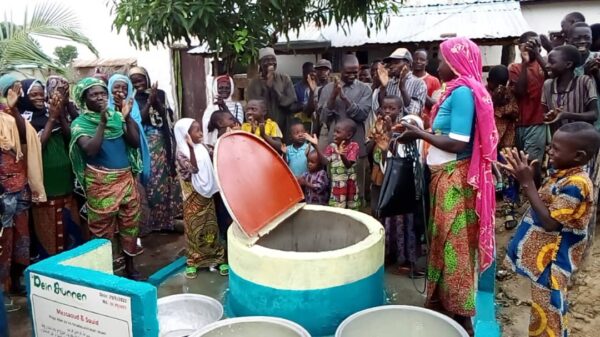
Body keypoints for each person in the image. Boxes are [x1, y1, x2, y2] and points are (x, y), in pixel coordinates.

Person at [399, 37, 498, 334]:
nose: (437, 65)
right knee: (442, 240)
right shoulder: (452, 92)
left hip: (456, 181)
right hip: (445, 178)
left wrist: (419, 135)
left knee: (455, 246)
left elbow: (457, 142)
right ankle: (445, 307)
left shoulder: (464, 93)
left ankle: (462, 318)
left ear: (454, 63)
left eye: (441, 60)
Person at [504, 122, 600, 337]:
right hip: (545, 261)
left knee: (549, 314)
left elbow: (551, 223)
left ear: (578, 155)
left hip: (553, 263)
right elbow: (545, 200)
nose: (549, 150)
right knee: (544, 312)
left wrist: (527, 182)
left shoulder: (577, 184)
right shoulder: (563, 172)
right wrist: (532, 175)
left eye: (556, 148)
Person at [69, 77, 143, 280]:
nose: (100, 97)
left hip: (126, 178)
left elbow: (135, 143)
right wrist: (102, 123)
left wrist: (126, 118)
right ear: (84, 99)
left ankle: (130, 265)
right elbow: (90, 150)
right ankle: (104, 270)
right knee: (102, 229)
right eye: (94, 94)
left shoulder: (117, 117)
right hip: (101, 183)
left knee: (130, 223)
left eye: (103, 93)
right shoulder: (79, 124)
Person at [19, 79, 80, 258]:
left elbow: (71, 140)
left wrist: (59, 115)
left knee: (71, 233)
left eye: (41, 93)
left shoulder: (50, 111)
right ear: (23, 97)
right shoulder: (23, 120)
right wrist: (52, 119)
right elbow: (36, 148)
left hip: (66, 184)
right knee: (48, 237)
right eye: (33, 94)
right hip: (46, 185)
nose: (39, 98)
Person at [0, 75, 45, 304]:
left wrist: (13, 107)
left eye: (19, 90)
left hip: (20, 187)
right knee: (4, 240)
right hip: (3, 190)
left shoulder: (14, 115)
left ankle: (15, 283)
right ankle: (4, 288)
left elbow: (24, 138)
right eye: (11, 89)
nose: (17, 93)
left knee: (21, 238)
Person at [129, 66, 181, 234]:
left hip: (161, 143)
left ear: (147, 79)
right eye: (134, 81)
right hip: (143, 145)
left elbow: (166, 116)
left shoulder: (160, 94)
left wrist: (155, 100)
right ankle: (149, 223)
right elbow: (138, 121)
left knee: (163, 182)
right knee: (148, 182)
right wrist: (149, 102)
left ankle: (164, 221)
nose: (138, 84)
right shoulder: (131, 100)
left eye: (140, 80)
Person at [174, 118, 226, 279]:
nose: (201, 133)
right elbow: (194, 169)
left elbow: (217, 153)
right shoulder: (181, 153)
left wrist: (226, 133)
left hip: (207, 196)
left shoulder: (202, 147)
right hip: (192, 198)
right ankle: (193, 261)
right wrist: (190, 147)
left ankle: (218, 258)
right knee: (193, 230)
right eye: (196, 130)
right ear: (185, 135)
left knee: (211, 227)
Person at [108, 74, 152, 256]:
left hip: (132, 161)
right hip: (112, 165)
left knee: (133, 204)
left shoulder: (132, 109)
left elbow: (136, 135)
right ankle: (115, 248)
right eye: (116, 87)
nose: (120, 91)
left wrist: (126, 115)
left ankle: (133, 243)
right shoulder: (104, 111)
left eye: (124, 88)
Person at [318, 54, 371, 205]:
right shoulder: (327, 89)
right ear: (340, 70)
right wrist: (333, 97)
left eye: (355, 71)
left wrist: (345, 98)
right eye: (348, 72)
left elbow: (362, 114)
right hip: (334, 147)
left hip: (356, 144)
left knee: (356, 188)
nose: (352, 75)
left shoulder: (364, 89)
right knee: (335, 187)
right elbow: (323, 117)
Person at [509, 32, 548, 188]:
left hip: (537, 120)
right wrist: (525, 63)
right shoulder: (515, 68)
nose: (532, 48)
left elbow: (551, 75)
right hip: (518, 123)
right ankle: (519, 197)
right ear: (520, 47)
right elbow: (519, 91)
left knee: (533, 162)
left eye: (536, 45)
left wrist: (537, 54)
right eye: (528, 45)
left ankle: (537, 195)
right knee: (519, 162)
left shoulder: (544, 64)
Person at [487, 66, 520, 230]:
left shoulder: (508, 94)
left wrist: (501, 105)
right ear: (489, 82)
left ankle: (509, 211)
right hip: (486, 144)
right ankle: (487, 212)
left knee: (508, 175)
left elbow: (515, 112)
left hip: (505, 143)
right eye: (496, 84)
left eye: (502, 84)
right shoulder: (483, 93)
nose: (499, 87)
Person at [247, 47, 299, 143]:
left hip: (284, 124)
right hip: (262, 127)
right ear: (260, 63)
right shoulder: (254, 83)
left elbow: (290, 100)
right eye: (266, 60)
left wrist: (273, 88)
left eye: (273, 60)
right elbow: (254, 106)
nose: (270, 63)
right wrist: (267, 88)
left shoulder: (284, 78)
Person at [542, 45, 598, 133]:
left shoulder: (584, 81)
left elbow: (594, 114)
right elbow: (543, 113)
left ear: (568, 64)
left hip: (582, 136)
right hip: (559, 138)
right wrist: (548, 116)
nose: (547, 65)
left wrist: (566, 115)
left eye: (552, 62)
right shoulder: (548, 85)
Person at [307, 119, 360, 210]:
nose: (334, 134)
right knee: (338, 208)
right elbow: (324, 162)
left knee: (352, 209)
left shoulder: (354, 146)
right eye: (334, 131)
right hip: (337, 185)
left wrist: (342, 155)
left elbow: (348, 165)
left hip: (350, 184)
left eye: (338, 132)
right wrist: (316, 146)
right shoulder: (332, 147)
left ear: (349, 135)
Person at [377, 48, 427, 117]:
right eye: (391, 63)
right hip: (389, 125)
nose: (391, 66)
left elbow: (415, 111)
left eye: (396, 63)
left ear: (408, 63)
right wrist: (383, 87)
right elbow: (381, 108)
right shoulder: (389, 82)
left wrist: (402, 88)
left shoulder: (419, 83)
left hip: (407, 126)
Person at [413, 49, 441, 129]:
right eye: (416, 59)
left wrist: (420, 91)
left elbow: (436, 105)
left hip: (426, 126)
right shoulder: (406, 79)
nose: (418, 61)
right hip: (408, 122)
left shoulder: (434, 81)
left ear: (426, 62)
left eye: (422, 59)